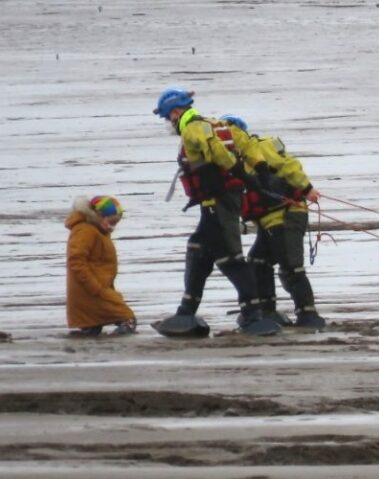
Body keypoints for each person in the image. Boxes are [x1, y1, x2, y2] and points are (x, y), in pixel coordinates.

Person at [151, 88, 279, 337]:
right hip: (219, 201)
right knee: (198, 249)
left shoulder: (193, 128)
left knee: (230, 258)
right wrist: (260, 167)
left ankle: (254, 315)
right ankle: (186, 311)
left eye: (168, 118)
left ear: (176, 113)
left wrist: (242, 172)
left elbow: (218, 152)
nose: (169, 123)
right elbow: (247, 143)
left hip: (218, 202)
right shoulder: (217, 124)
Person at [220, 114, 326, 330]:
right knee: (258, 261)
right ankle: (268, 311)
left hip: (286, 215)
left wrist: (307, 189)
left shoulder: (263, 146)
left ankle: (308, 315)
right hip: (268, 222)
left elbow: (290, 166)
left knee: (291, 267)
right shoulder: (232, 162)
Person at [65, 195, 137, 336]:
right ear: (97, 215)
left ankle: (91, 328)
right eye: (111, 222)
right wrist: (93, 286)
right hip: (91, 287)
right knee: (127, 316)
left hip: (98, 286)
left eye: (115, 224)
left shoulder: (97, 229)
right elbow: (76, 260)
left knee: (93, 318)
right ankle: (94, 328)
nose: (112, 227)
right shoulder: (85, 230)